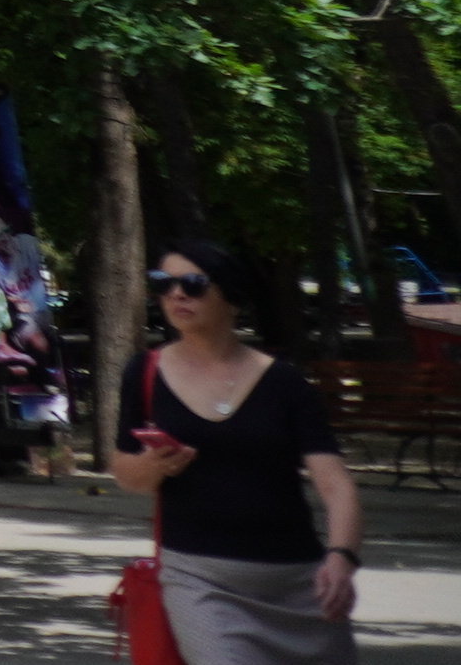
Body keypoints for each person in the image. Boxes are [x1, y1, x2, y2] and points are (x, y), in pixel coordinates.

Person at [113, 237, 360, 661]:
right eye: (163, 283)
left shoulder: (284, 382)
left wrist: (342, 557)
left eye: (192, 283)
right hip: (198, 580)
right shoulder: (145, 372)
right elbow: (124, 473)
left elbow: (335, 483)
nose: (175, 294)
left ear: (231, 296)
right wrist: (155, 466)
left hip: (299, 582)